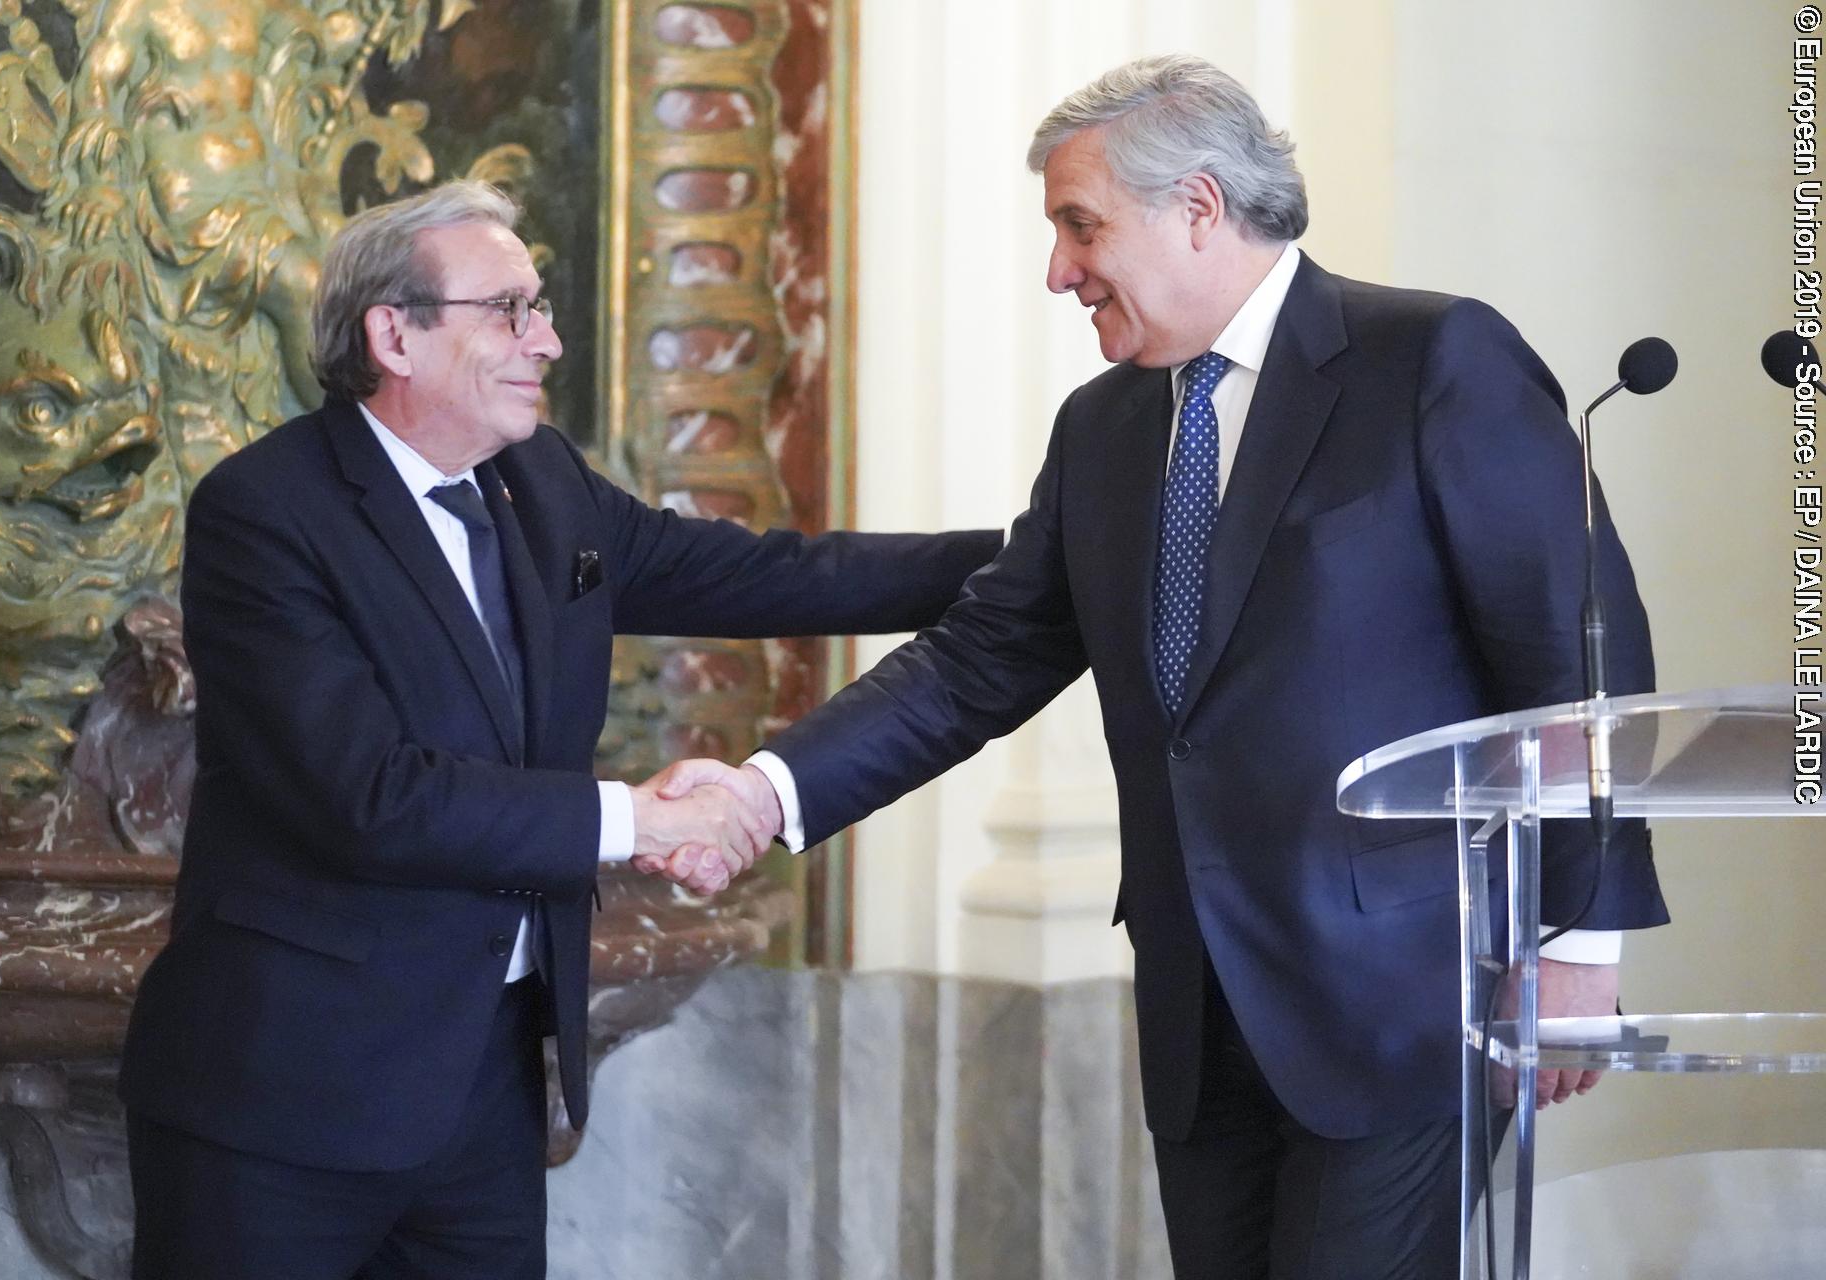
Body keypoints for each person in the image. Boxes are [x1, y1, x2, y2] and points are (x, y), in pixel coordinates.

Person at [647, 54, 1668, 1278]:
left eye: (1081, 227)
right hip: (1199, 1005)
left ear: (1197, 206)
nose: (1059, 269)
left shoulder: (1431, 359)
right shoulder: (1105, 426)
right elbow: (979, 659)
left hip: (1406, 1000)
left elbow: (1576, 647)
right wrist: (760, 793)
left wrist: (1581, 941)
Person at [117, 179, 999, 1279]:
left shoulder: (541, 483)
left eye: (541, 306)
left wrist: (1035, 561)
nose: (550, 337)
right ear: (394, 333)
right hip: (283, 1103)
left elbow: (764, 573)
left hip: (483, 1097)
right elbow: (373, 796)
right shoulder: (265, 513)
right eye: (512, 309)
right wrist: (638, 816)